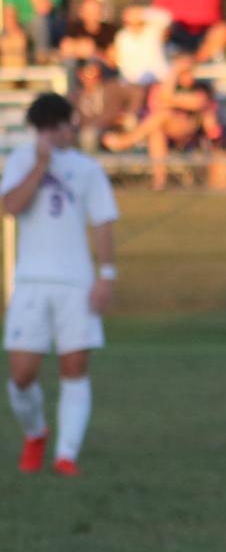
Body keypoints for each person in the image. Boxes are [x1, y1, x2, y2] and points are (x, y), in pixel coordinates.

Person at [2, 93, 117, 478]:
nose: (71, 130)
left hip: (75, 282)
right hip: (32, 281)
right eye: (66, 124)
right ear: (49, 127)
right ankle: (36, 433)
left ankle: (66, 453)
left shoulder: (87, 169)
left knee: (75, 364)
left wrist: (106, 274)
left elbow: (103, 221)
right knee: (21, 375)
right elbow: (11, 206)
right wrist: (40, 166)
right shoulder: (20, 159)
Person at [106, 54, 226, 191]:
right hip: (169, 134)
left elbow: (190, 102)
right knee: (156, 132)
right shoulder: (167, 86)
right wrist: (174, 73)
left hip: (193, 134)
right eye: (182, 72)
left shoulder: (201, 89)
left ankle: (126, 141)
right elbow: (162, 99)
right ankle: (160, 181)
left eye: (188, 71)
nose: (187, 76)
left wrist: (174, 76)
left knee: (162, 116)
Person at [113, 4, 172, 87]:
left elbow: (166, 18)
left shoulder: (152, 30)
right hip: (133, 80)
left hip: (157, 76)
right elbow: (122, 61)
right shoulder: (122, 36)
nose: (132, 18)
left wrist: (143, 13)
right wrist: (132, 78)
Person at [57, 0, 117, 69]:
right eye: (88, 11)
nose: (91, 15)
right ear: (81, 13)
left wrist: (94, 52)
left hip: (102, 70)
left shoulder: (110, 30)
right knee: (70, 62)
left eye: (95, 11)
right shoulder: (73, 28)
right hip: (78, 68)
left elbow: (113, 60)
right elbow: (65, 49)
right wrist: (81, 49)